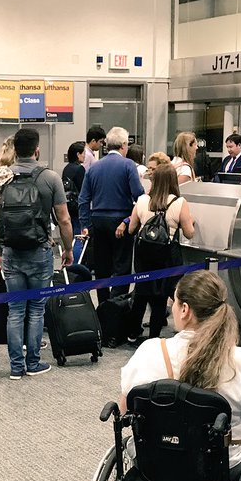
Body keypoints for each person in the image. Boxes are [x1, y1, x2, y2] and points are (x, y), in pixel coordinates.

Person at [120, 270, 241, 465]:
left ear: (185, 309)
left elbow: (124, 409)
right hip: (217, 466)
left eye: (174, 301)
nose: (172, 307)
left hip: (156, 461)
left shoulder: (149, 351)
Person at [0, 128, 74, 380]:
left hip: (11, 252)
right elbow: (64, 220)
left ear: (15, 150)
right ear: (37, 150)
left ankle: (16, 367)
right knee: (36, 309)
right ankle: (33, 363)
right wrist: (68, 249)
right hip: (40, 251)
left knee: (15, 310)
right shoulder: (50, 178)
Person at [122, 163, 195, 344]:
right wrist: (191, 222)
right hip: (167, 254)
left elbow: (131, 229)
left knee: (141, 290)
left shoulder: (142, 200)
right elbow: (189, 233)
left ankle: (132, 332)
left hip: (143, 254)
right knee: (160, 294)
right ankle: (154, 336)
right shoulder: (179, 203)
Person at [78, 126, 144, 304]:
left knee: (101, 267)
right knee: (122, 267)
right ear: (124, 144)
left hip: (98, 221)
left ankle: (103, 305)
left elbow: (83, 199)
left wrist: (86, 225)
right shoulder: (128, 165)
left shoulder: (94, 167)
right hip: (121, 221)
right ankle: (117, 306)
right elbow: (139, 194)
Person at [62, 141, 86, 239]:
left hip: (68, 205)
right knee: (78, 234)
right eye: (83, 153)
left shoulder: (66, 168)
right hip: (77, 206)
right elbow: (83, 189)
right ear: (78, 154)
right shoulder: (80, 169)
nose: (85, 156)